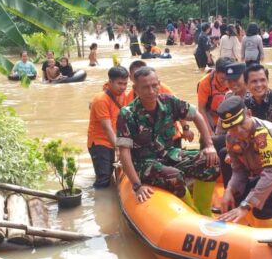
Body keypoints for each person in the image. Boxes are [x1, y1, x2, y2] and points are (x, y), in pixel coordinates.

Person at [116, 67, 220, 216]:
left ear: (159, 84)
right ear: (135, 89)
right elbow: (124, 152)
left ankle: (204, 211)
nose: (151, 91)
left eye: (154, 85)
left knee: (211, 162)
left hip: (169, 154)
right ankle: (193, 213)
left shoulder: (169, 101)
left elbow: (196, 115)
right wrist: (137, 186)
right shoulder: (127, 114)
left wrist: (209, 146)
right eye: (145, 87)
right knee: (174, 175)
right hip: (144, 162)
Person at [87, 66, 129, 188]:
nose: (122, 87)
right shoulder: (101, 99)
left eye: (125, 84)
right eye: (119, 83)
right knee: (104, 178)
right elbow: (107, 127)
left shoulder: (122, 95)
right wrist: (118, 148)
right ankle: (98, 201)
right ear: (110, 82)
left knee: (109, 173)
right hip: (100, 142)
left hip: (113, 139)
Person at [197, 57, 233, 135]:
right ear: (215, 72)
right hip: (211, 117)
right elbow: (201, 109)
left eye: (228, 79)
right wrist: (209, 132)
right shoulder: (204, 83)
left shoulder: (236, 80)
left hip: (230, 117)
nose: (226, 82)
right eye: (222, 79)